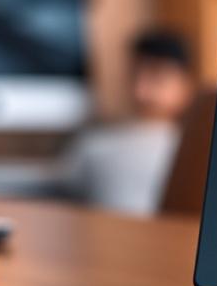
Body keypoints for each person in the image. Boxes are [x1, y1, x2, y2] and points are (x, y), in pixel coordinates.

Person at [59, 29, 196, 215]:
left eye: (157, 77)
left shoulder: (198, 148)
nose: (141, 89)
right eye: (135, 75)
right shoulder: (93, 143)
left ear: (186, 83)